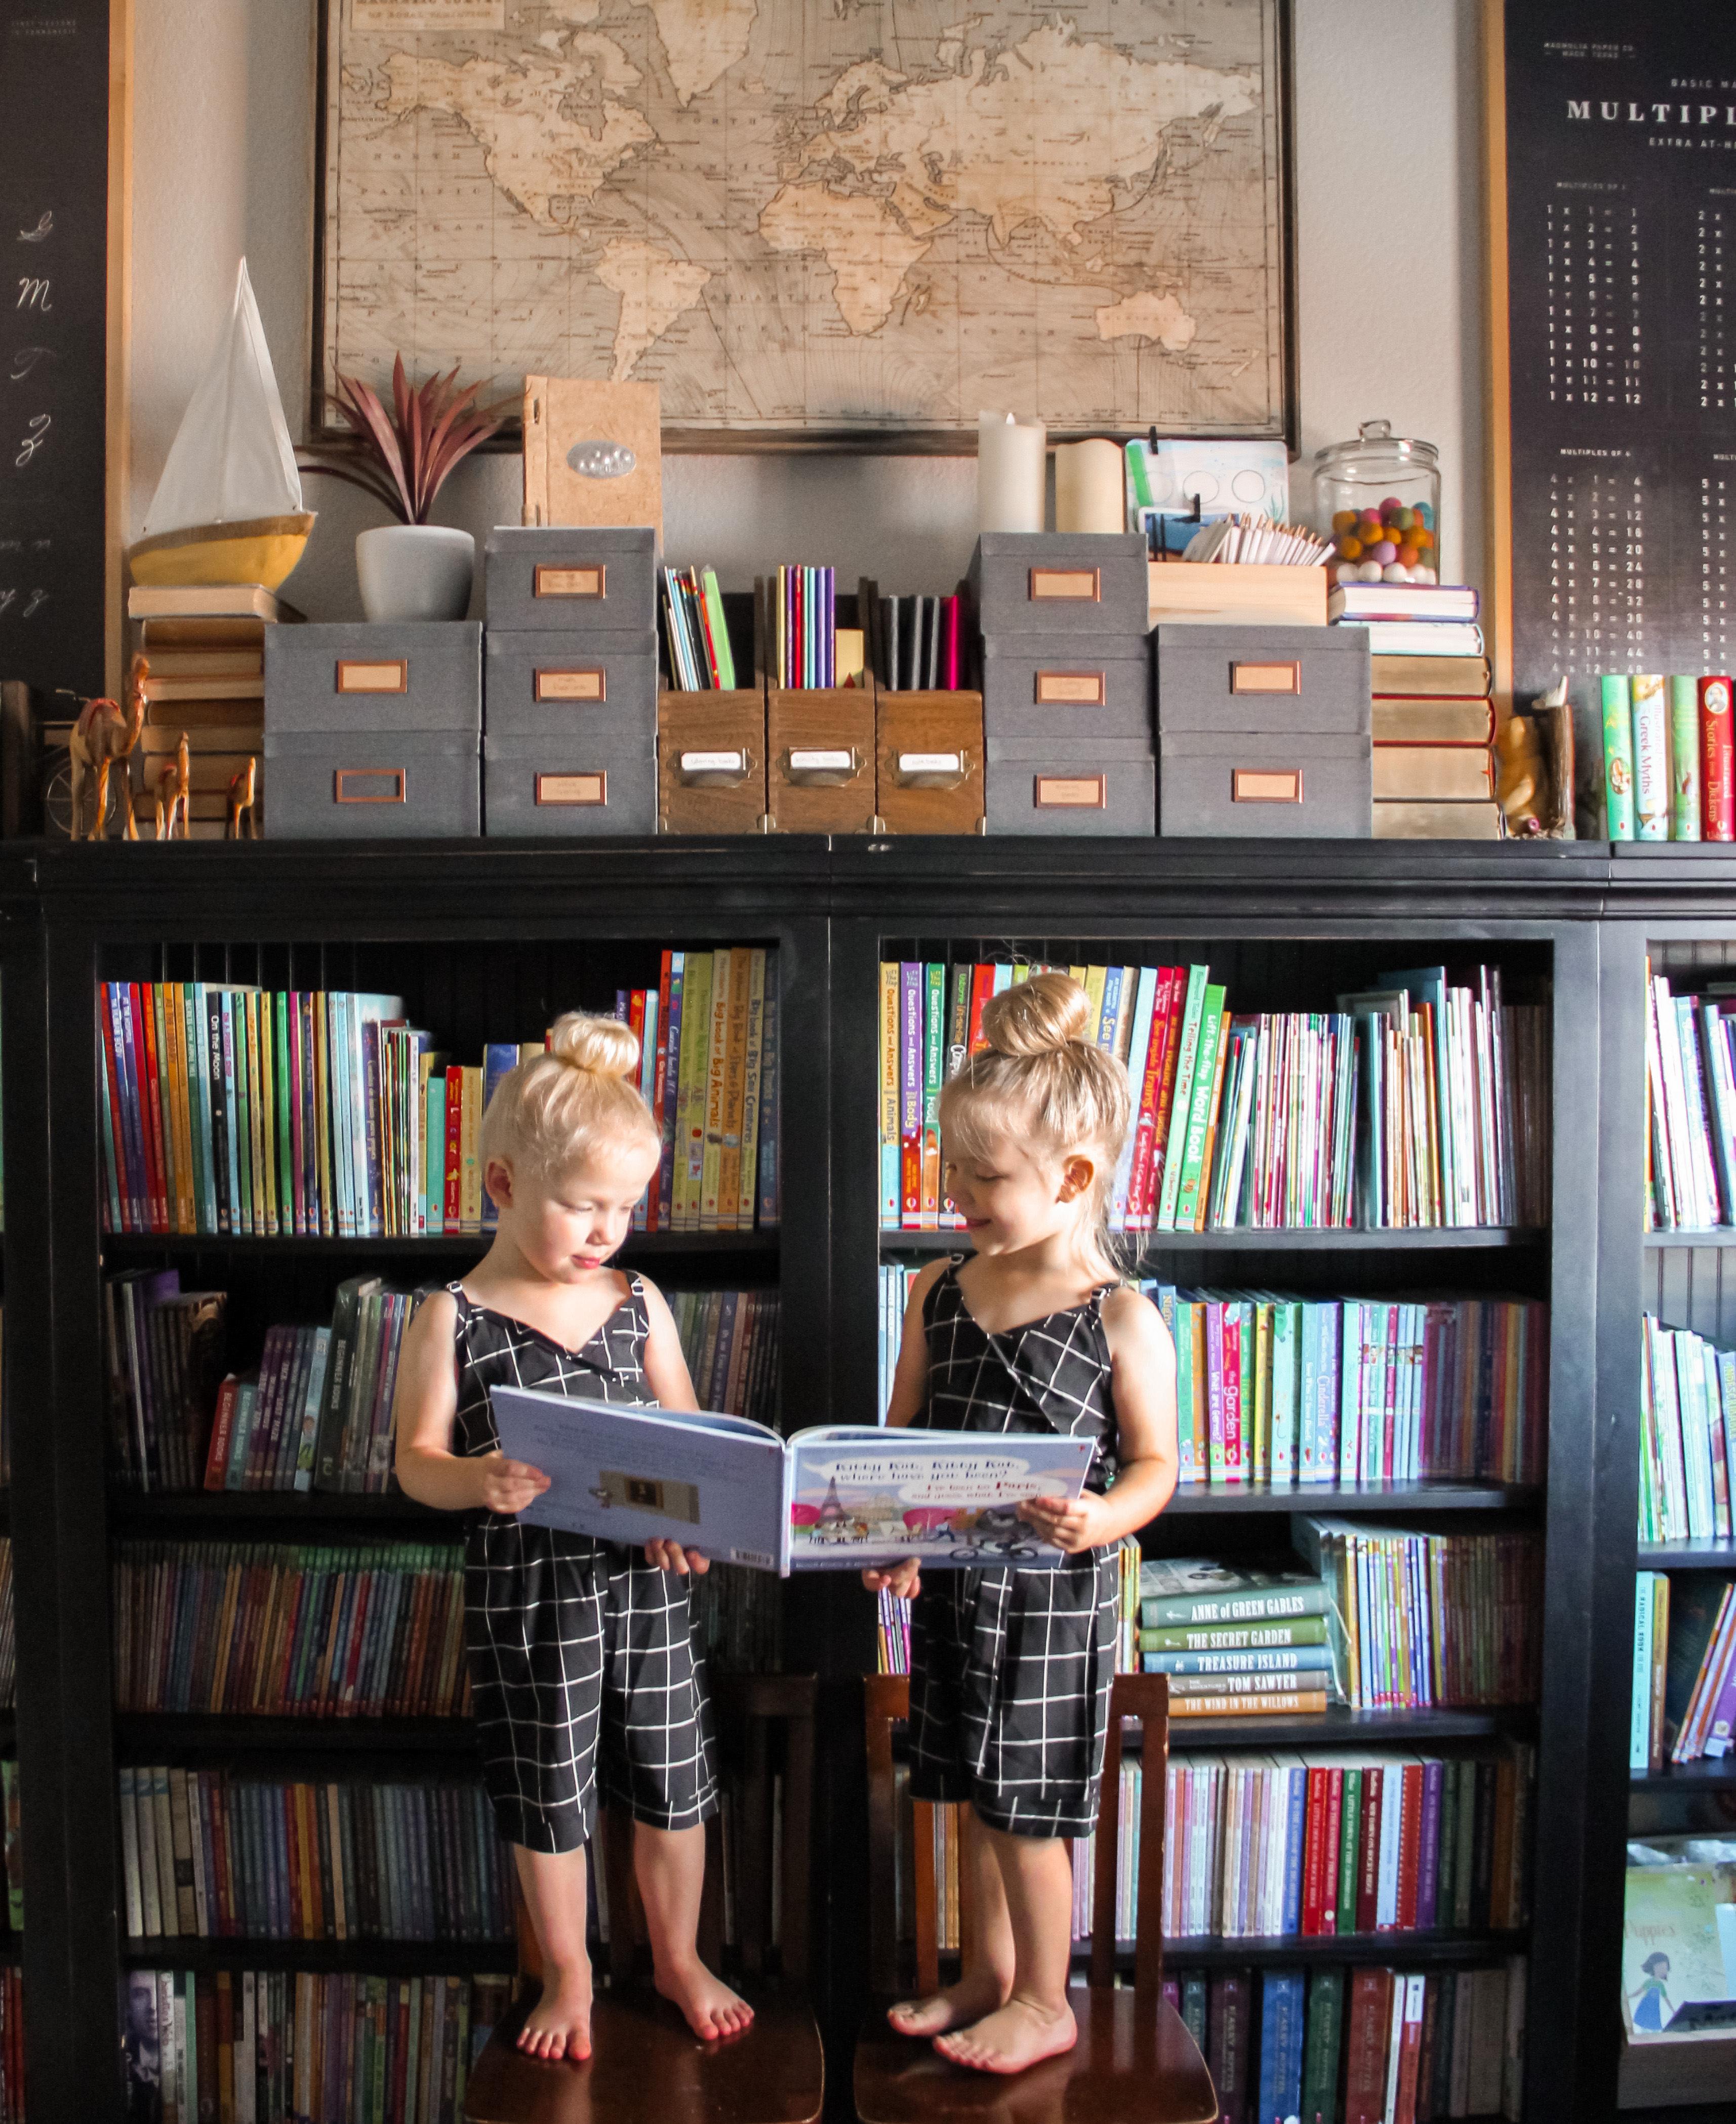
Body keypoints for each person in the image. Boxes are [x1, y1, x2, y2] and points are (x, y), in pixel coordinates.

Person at [395, 1013, 751, 2063]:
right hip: (526, 1591)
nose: (606, 1230)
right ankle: (569, 1971)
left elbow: (692, 1440)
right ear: (503, 1185)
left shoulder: (638, 1302)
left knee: (672, 1779)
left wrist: (690, 1520)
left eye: (624, 1207)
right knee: (546, 1785)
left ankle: (676, 1958)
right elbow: (414, 1461)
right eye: (581, 1205)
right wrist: (475, 1477)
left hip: (644, 1584)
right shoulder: (453, 1315)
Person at [864, 971, 1179, 2075]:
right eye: (951, 1165)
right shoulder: (937, 1291)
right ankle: (985, 1977)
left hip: (1052, 1608)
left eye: (984, 1174)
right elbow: (903, 1438)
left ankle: (1046, 2001)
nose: (956, 1191)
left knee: (1028, 1809)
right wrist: (894, 1536)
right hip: (955, 1595)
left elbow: (1155, 1467)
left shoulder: (1119, 1317)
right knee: (963, 1790)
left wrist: (1103, 1518)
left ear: (1073, 1177)